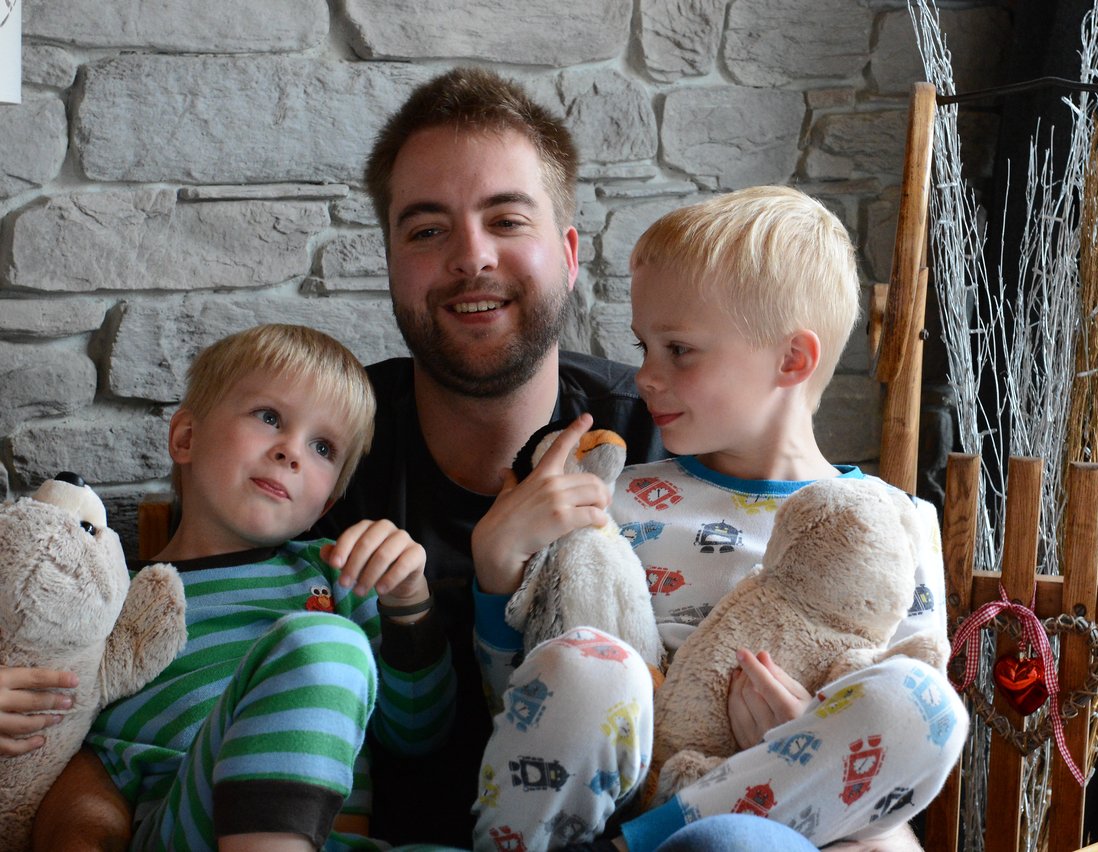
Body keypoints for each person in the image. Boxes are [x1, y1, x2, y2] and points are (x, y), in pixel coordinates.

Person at [470, 187, 967, 852]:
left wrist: (802, 740)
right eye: (645, 346)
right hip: (591, 811)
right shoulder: (611, 501)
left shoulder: (894, 526)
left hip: (760, 828)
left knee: (926, 703)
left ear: (792, 360)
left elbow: (897, 750)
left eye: (680, 349)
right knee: (586, 663)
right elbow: (521, 706)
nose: (645, 376)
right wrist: (494, 580)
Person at [311, 67, 665, 846]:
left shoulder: (659, 434)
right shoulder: (323, 447)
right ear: (392, 264)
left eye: (506, 220)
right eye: (427, 229)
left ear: (569, 254)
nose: (471, 257)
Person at [36, 323, 455, 851]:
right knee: (326, 642)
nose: (292, 452)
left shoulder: (338, 574)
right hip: (188, 825)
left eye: (323, 447)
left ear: (325, 505)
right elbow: (54, 724)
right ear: (186, 438)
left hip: (331, 838)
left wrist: (406, 599)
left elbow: (418, 733)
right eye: (269, 417)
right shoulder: (110, 596)